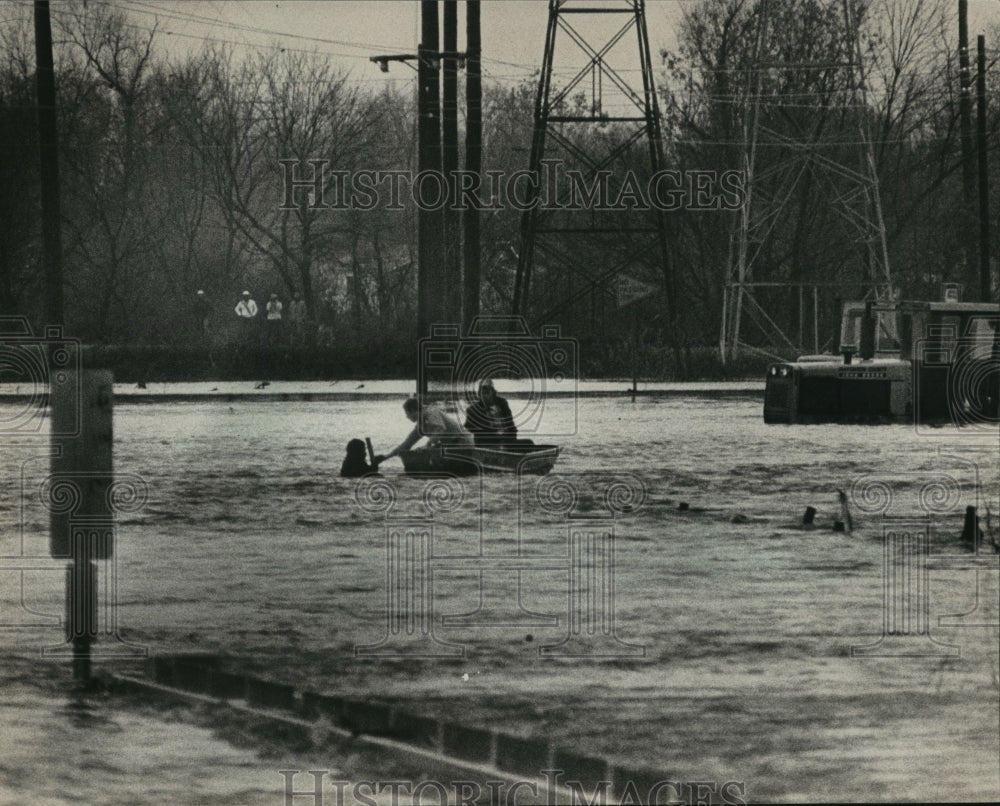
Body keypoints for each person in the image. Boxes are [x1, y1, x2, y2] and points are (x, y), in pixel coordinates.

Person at [377, 397, 472, 462]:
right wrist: (386, 457)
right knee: (424, 452)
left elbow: (440, 429)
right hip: (451, 444)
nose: (406, 417)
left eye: (407, 413)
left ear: (414, 410)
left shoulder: (431, 411)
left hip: (463, 442)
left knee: (426, 451)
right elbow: (407, 444)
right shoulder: (420, 425)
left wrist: (427, 445)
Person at [463, 379, 520, 447]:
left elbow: (511, 426)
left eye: (487, 393)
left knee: (529, 443)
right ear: (479, 395)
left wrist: (511, 440)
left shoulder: (502, 404)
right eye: (482, 393)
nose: (484, 396)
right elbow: (469, 430)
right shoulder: (472, 410)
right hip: (487, 444)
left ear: (493, 393)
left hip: (506, 442)